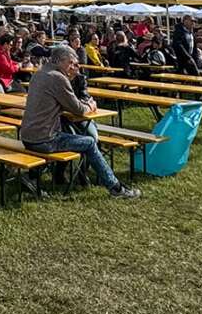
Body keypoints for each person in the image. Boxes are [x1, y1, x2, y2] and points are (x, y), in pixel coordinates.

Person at [18, 46, 139, 200]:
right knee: (89, 142)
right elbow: (78, 110)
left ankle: (38, 177)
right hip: (44, 140)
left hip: (27, 136)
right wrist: (91, 105)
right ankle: (115, 187)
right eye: (71, 63)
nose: (74, 66)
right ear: (59, 61)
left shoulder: (40, 73)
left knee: (70, 133)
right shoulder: (58, 78)